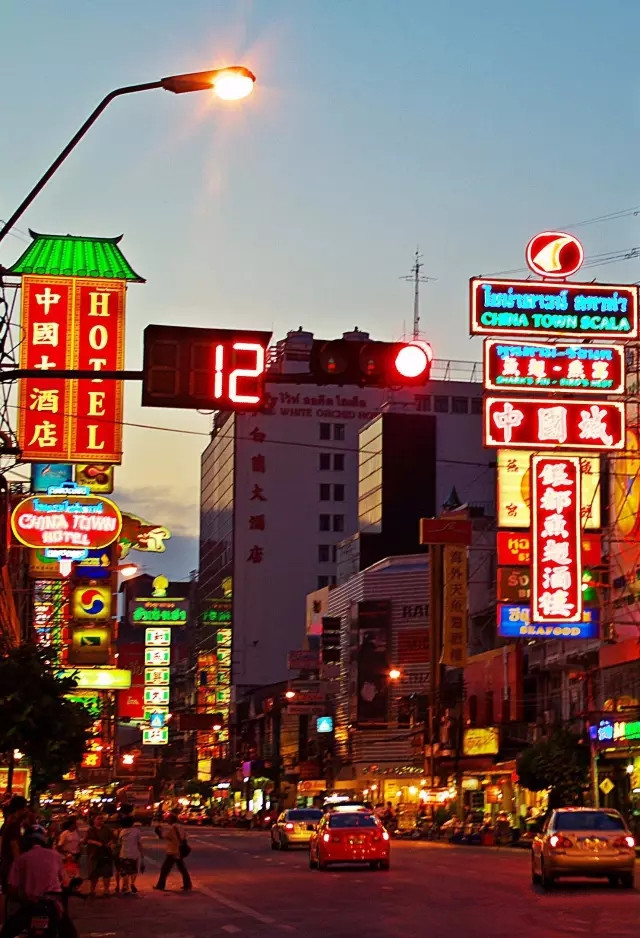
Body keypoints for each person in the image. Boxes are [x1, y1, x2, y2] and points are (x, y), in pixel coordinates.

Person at [2, 824, 78, 938]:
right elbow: (65, 881)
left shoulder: (21, 859)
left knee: (7, 931)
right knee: (70, 933)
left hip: (30, 905)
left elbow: (12, 887)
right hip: (52, 904)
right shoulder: (55, 856)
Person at [0, 796, 28, 910]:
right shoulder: (14, 824)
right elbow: (14, 845)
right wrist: (19, 864)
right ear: (20, 808)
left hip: (6, 861)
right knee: (12, 892)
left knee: (7, 892)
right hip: (10, 863)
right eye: (25, 808)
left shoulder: (8, 821)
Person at [153, 811, 191, 892]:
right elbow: (185, 836)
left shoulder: (173, 828)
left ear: (171, 820)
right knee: (182, 868)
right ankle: (187, 884)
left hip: (173, 851)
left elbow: (165, 836)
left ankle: (160, 885)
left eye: (168, 819)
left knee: (165, 869)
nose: (167, 820)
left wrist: (158, 832)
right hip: (179, 850)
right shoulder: (181, 827)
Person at [85, 813, 114, 897]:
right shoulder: (90, 830)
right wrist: (96, 843)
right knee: (94, 873)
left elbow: (112, 838)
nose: (101, 820)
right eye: (98, 819)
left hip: (106, 853)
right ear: (94, 820)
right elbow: (87, 840)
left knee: (106, 873)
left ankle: (106, 890)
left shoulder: (107, 829)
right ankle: (92, 890)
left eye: (101, 819)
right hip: (94, 854)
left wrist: (109, 843)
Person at [117, 816, 144, 894]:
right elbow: (139, 843)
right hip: (134, 853)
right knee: (134, 870)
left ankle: (126, 887)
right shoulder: (137, 831)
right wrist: (142, 853)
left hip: (124, 853)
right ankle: (132, 883)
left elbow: (119, 842)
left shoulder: (122, 831)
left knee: (125, 872)